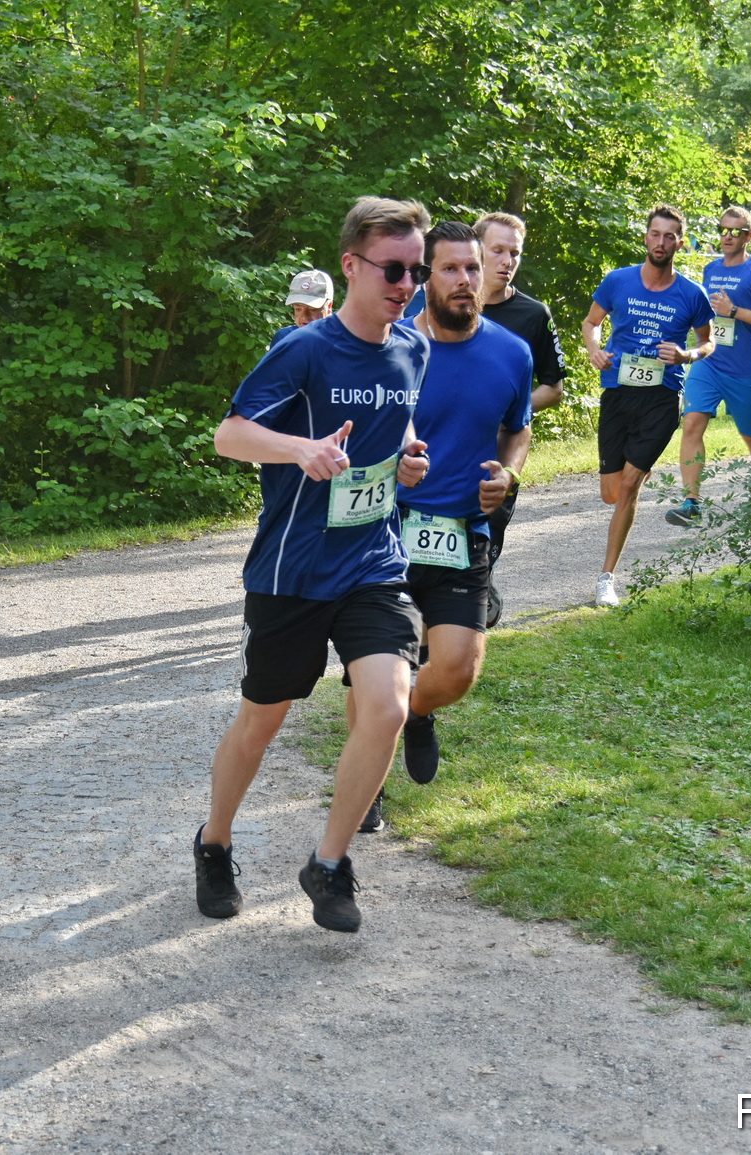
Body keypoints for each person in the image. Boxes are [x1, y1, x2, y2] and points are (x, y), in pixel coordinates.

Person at [194, 197, 433, 934]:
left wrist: (408, 460)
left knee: (390, 704)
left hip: (373, 559)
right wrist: (302, 449)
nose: (405, 283)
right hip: (291, 571)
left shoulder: (414, 348)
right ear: (351, 266)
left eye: (415, 271)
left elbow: (397, 425)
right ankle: (214, 841)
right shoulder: (304, 349)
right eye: (393, 268)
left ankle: (329, 863)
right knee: (260, 723)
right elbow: (228, 434)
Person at [362, 221, 532, 830]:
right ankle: (367, 788)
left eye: (473, 269)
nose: (465, 280)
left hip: (463, 531)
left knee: (456, 671)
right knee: (376, 667)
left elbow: (518, 428)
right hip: (387, 529)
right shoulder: (392, 347)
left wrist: (508, 475)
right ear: (424, 279)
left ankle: (413, 712)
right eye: (452, 269)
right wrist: (391, 464)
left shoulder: (512, 353)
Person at [580, 205, 715, 607]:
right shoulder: (618, 281)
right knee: (611, 491)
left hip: (662, 396)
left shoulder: (692, 293)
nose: (662, 242)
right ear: (646, 238)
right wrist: (594, 350)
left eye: (670, 236)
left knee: (628, 486)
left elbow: (709, 342)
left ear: (679, 241)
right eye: (656, 234)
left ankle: (607, 578)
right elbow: (591, 323)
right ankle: (637, 472)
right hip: (619, 392)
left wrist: (686, 356)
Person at [470, 211, 569, 627]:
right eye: (498, 250)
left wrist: (509, 412)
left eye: (515, 253)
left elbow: (555, 387)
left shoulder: (532, 315)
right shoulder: (439, 301)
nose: (507, 260)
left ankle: (481, 580)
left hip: (500, 451)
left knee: (484, 542)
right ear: (477, 251)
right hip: (439, 446)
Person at [664, 207, 751, 527]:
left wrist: (735, 311)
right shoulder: (710, 269)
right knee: (691, 424)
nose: (728, 236)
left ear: (750, 236)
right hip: (709, 363)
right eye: (723, 230)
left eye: (736, 232)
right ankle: (691, 502)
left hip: (745, 369)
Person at [269, 268, 336, 346]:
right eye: (298, 309)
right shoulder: (283, 338)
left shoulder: (343, 343)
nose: (304, 317)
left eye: (312, 309)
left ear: (329, 306)